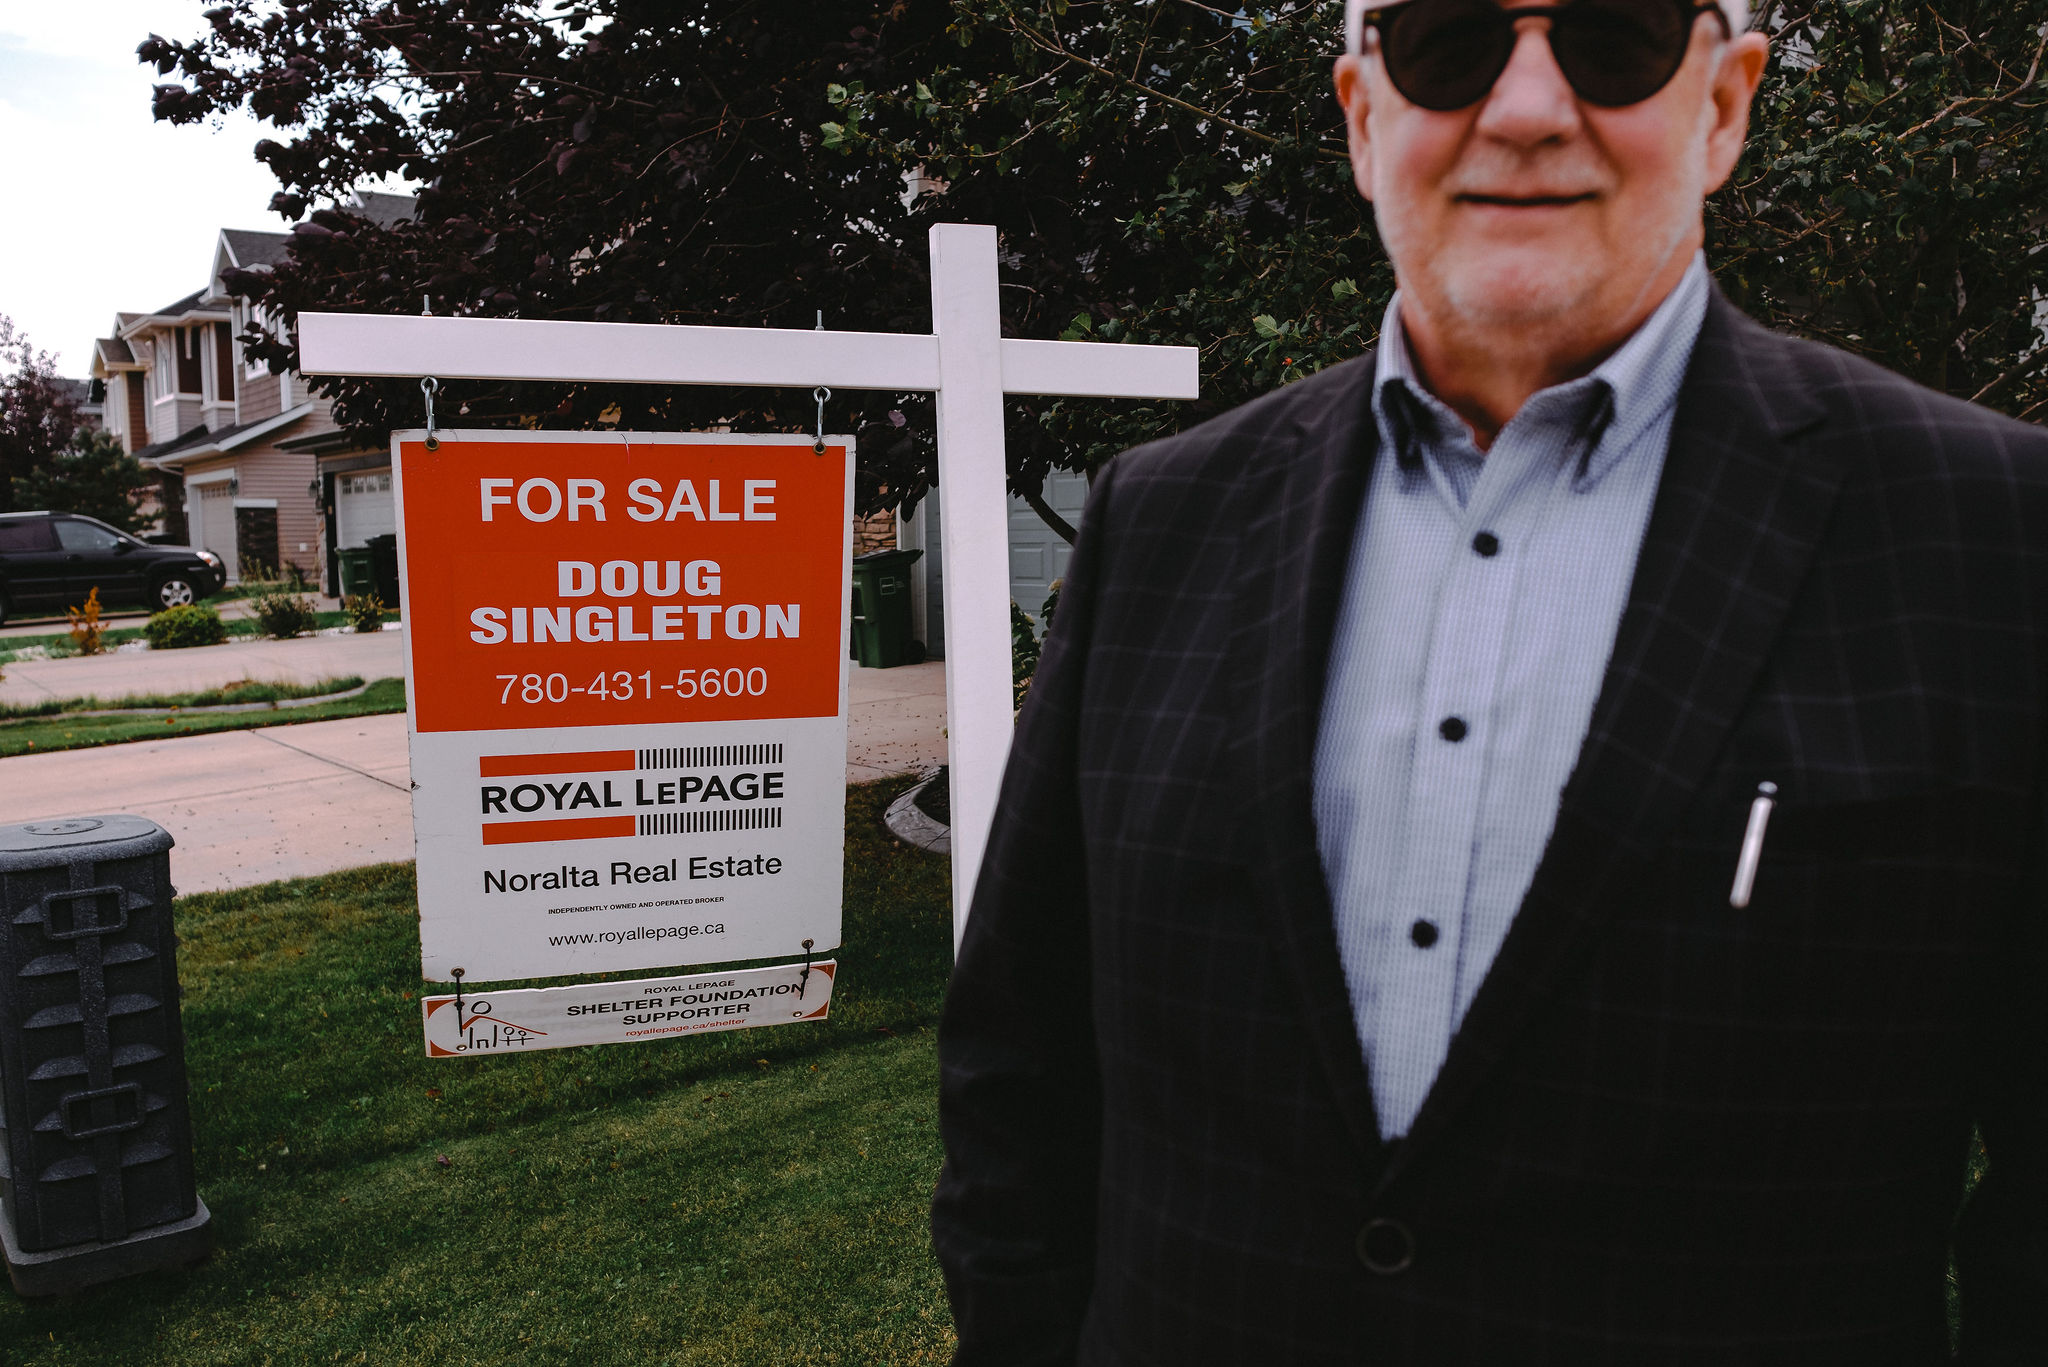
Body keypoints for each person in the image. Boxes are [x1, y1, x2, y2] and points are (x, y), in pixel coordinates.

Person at [932, 0, 2048, 1361]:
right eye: (1448, 41)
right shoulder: (1161, 518)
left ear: (1725, 105)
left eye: (1619, 36)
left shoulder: (1992, 533)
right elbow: (1020, 1068)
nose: (1525, 108)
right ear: (1361, 116)